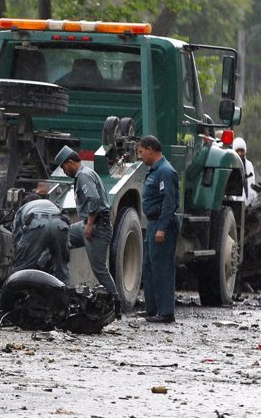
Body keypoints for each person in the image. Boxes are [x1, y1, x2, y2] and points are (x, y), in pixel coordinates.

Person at [54, 145, 121, 319]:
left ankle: (116, 303)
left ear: (70, 162)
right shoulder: (83, 174)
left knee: (99, 269)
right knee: (61, 238)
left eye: (64, 167)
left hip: (97, 227)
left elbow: (94, 199)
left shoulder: (83, 175)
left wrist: (90, 225)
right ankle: (60, 286)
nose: (64, 170)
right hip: (86, 224)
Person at [136, 135, 180, 323]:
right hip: (153, 223)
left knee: (162, 267)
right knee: (149, 266)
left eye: (141, 152)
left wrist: (162, 228)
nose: (140, 156)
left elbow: (170, 202)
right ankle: (152, 308)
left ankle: (166, 312)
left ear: (151, 149)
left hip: (163, 224)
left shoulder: (165, 172)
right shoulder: (155, 170)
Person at [12, 193, 70, 284]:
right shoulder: (52, 204)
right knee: (61, 267)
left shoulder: (23, 208)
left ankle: (19, 294)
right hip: (60, 224)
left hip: (37, 223)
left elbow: (17, 238)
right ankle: (66, 294)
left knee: (23, 269)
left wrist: (18, 258)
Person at [233, 137, 258, 205]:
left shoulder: (249, 165)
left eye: (242, 151)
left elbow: (251, 184)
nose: (240, 153)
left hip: (249, 204)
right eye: (237, 151)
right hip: (235, 204)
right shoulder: (231, 165)